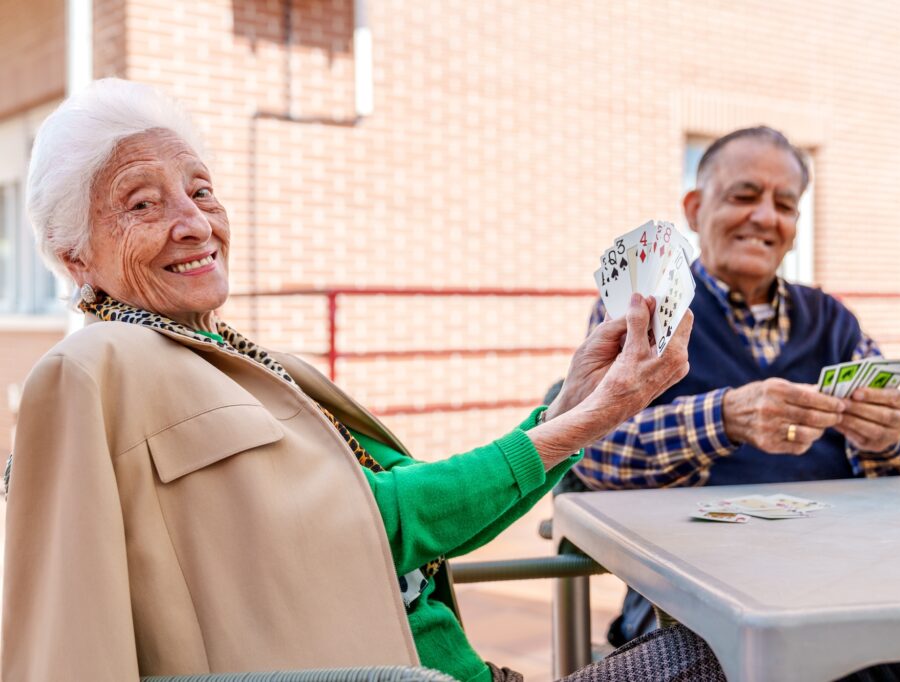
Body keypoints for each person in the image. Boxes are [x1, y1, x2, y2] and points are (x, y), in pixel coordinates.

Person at [1, 78, 730, 682]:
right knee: (726, 655)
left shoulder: (249, 360)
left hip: (473, 669)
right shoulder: (100, 367)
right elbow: (383, 525)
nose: (195, 223)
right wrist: (593, 418)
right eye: (142, 203)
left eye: (201, 190)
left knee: (731, 647)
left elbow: (431, 517)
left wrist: (574, 399)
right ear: (74, 258)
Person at [575, 127, 900, 646]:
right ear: (695, 209)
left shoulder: (832, 318)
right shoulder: (646, 308)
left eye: (785, 206)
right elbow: (591, 451)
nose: (766, 217)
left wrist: (889, 436)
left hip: (848, 572)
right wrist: (722, 419)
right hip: (689, 598)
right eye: (744, 196)